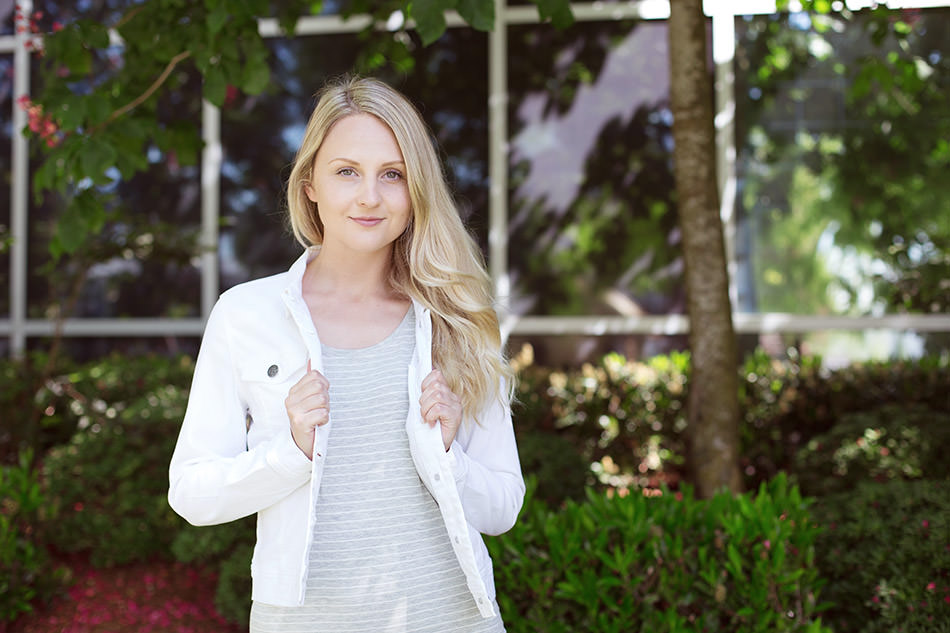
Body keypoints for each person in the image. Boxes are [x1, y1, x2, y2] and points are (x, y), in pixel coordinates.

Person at [167, 75, 525, 633]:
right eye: (346, 172)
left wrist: (451, 454)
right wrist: (292, 451)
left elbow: (502, 509)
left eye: (393, 174)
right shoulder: (246, 315)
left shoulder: (456, 316)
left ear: (416, 190)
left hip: (453, 620)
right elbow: (192, 494)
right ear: (310, 183)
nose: (369, 196)